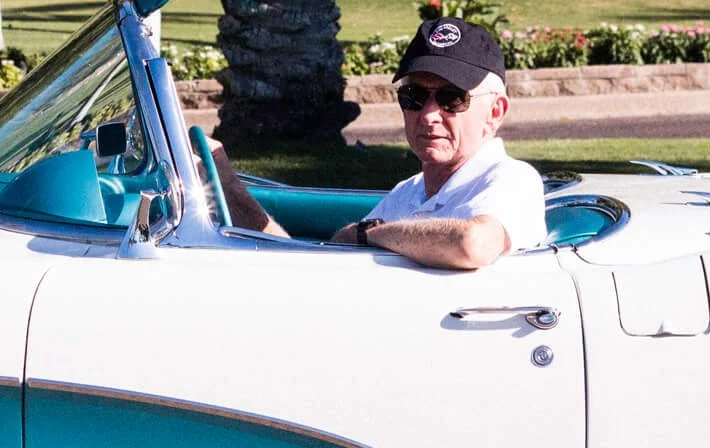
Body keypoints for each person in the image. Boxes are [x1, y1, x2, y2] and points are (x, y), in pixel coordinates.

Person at [209, 17, 548, 270]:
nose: (429, 115)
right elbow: (309, 270)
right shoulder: (409, 193)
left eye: (451, 99)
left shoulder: (511, 180)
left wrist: (369, 234)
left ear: (495, 111)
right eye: (413, 96)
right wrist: (225, 183)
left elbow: (472, 244)